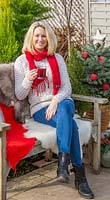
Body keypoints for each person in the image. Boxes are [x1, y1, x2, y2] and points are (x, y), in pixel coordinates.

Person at [14, 20, 94, 199]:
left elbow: (67, 88)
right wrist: (27, 79)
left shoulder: (56, 58)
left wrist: (55, 101)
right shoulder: (22, 62)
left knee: (65, 107)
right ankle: (79, 177)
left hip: (61, 102)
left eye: (44, 36)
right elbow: (20, 95)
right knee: (71, 125)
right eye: (37, 36)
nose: (40, 39)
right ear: (31, 38)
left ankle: (63, 166)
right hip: (40, 108)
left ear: (48, 38)